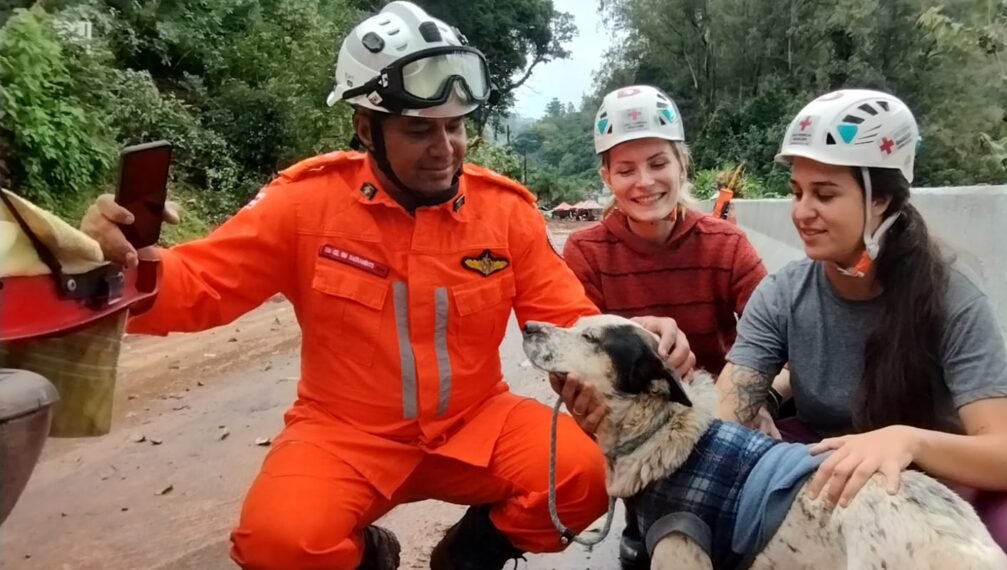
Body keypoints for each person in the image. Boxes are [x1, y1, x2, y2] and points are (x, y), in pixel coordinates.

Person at [78, 3, 695, 569]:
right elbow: (200, 286)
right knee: (278, 543)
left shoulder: (503, 211)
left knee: (583, 476)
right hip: (343, 433)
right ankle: (370, 554)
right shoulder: (304, 204)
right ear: (366, 128)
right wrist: (122, 262)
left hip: (476, 423)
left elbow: (567, 315)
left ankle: (471, 552)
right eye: (419, 131)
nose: (445, 149)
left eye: (455, 127)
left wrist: (633, 348)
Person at [716, 88, 1007, 570]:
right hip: (824, 467)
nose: (802, 211)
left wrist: (905, 440)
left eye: (825, 194)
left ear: (882, 201)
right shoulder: (784, 294)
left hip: (936, 477)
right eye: (797, 191)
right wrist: (754, 410)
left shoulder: (951, 298)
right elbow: (731, 407)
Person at [560, 85, 769, 569]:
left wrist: (755, 396)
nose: (644, 182)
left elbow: (775, 333)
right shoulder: (586, 254)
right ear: (607, 176)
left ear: (682, 166)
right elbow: (572, 359)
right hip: (635, 428)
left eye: (658, 163)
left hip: (720, 416)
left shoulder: (726, 245)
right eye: (626, 169)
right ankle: (643, 521)